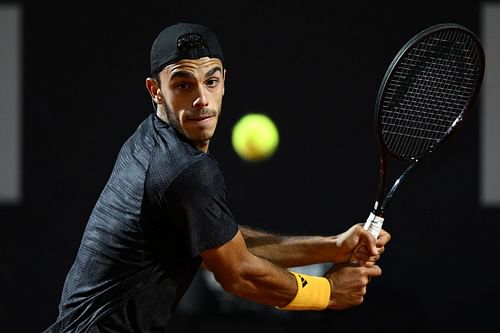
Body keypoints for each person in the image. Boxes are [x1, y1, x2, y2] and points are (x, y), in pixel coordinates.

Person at [43, 22, 391, 333]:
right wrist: (327, 293)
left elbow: (224, 243)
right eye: (183, 84)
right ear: (156, 91)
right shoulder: (186, 169)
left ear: (224, 81)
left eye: (211, 80)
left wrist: (331, 247)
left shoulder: (149, 139)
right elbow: (236, 272)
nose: (201, 99)